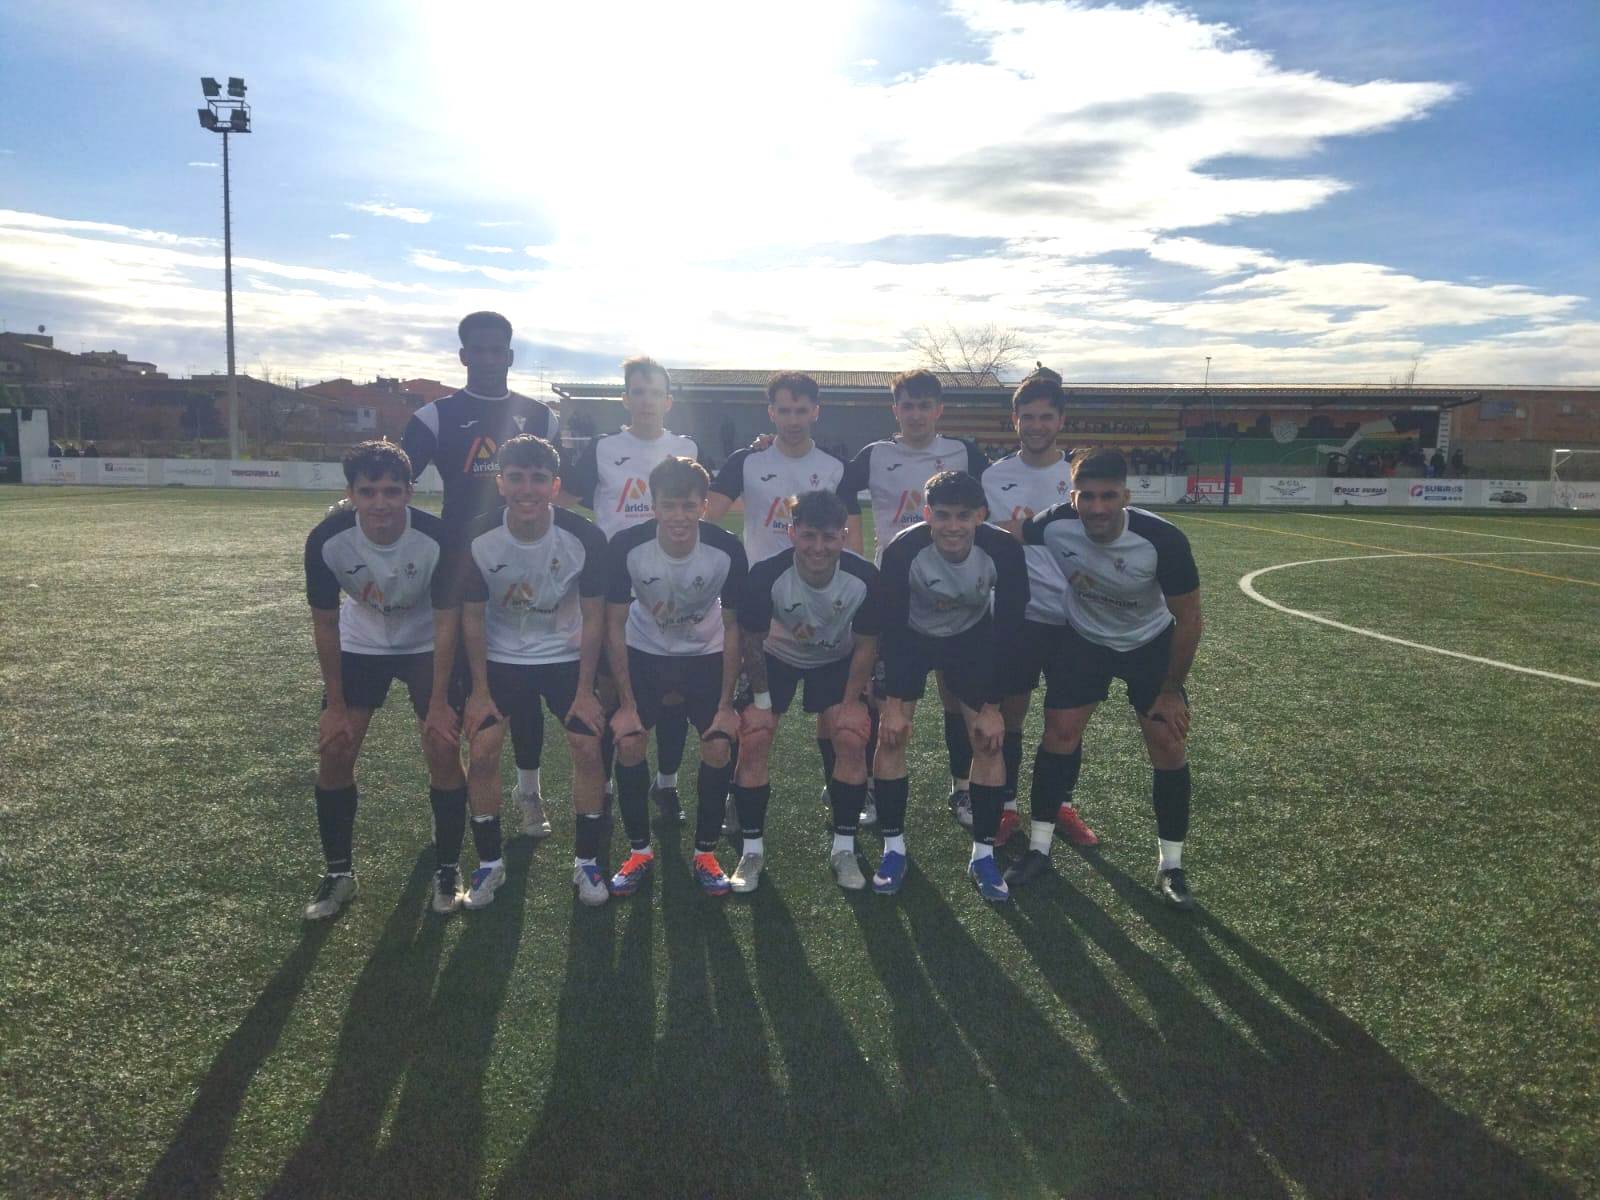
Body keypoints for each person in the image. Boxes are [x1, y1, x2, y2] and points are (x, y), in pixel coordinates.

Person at [1017, 448, 1203, 909]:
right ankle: (1038, 848)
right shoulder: (1052, 524)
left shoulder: (1162, 540)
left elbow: (1189, 619)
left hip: (1149, 644)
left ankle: (1172, 866)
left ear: (1126, 496)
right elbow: (1012, 533)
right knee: (1059, 734)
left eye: (1108, 496)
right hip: (1085, 641)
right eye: (1087, 496)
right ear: (1073, 497)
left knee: (1167, 743)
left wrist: (1171, 689)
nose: (1097, 507)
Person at [401, 311, 561, 837]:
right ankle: (454, 798)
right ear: (463, 355)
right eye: (479, 350)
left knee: (527, 684)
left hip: (527, 566)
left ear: (510, 356)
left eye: (498, 351)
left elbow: (573, 484)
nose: (489, 359)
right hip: (460, 568)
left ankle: (529, 792)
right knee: (462, 689)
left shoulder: (540, 416)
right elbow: (395, 479)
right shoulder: (434, 417)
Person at [300, 441, 469, 920]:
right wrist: (334, 705)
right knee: (336, 749)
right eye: (368, 491)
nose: (380, 503)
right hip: (362, 643)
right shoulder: (327, 539)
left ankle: (448, 867)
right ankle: (339, 873)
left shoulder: (438, 538)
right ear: (350, 493)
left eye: (392, 491)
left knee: (442, 745)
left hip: (426, 643)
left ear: (410, 491)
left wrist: (440, 701)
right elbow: (325, 623)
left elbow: (447, 621)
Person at [444, 435, 612, 908]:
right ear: (500, 483)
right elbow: (472, 617)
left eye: (538, 479)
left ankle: (587, 862)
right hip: (501, 660)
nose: (527, 489)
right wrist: (479, 690)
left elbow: (595, 617)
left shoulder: (584, 537)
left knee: (587, 745)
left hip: (564, 658)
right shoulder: (477, 537)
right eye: (516, 478)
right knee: (482, 750)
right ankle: (489, 864)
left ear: (555, 486)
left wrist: (585, 689)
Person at [707, 371, 861, 836]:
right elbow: (707, 519)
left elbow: (851, 539)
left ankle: (839, 788)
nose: (793, 419)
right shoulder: (747, 461)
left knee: (833, 711)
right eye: (784, 410)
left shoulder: (835, 468)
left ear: (816, 411)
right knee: (756, 714)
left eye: (802, 410)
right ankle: (737, 798)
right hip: (762, 604)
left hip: (821, 599)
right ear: (771, 412)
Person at [839, 369, 990, 825]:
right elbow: (839, 489)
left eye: (925, 406)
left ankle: (962, 787)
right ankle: (870, 785)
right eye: (908, 405)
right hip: (895, 589)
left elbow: (992, 500)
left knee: (954, 693)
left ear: (939, 410)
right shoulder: (876, 454)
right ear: (895, 410)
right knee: (881, 693)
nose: (917, 414)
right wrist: (856, 552)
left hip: (956, 588)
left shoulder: (963, 453)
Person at [873, 471, 1029, 902]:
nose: (953, 526)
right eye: (943, 515)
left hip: (970, 639)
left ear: (981, 515)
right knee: (892, 735)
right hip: (912, 637)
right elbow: (892, 628)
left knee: (988, 740)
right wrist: (893, 703)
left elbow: (1010, 630)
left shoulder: (1004, 550)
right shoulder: (903, 550)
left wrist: (993, 705)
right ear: (927, 514)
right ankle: (893, 848)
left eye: (964, 515)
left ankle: (984, 856)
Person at [563, 356, 700, 825]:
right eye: (637, 392)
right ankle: (602, 787)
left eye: (655, 392)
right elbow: (561, 499)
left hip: (670, 578)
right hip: (614, 582)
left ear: (669, 401)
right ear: (625, 398)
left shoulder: (685, 447)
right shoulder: (603, 448)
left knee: (674, 691)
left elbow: (701, 500)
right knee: (608, 689)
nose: (646, 401)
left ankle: (667, 784)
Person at [603, 456, 748, 897]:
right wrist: (626, 704)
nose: (679, 516)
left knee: (718, 744)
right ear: (654, 505)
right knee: (629, 741)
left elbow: (734, 627)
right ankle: (639, 852)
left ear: (704, 505)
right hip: (645, 654)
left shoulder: (727, 548)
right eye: (669, 505)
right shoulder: (627, 546)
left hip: (704, 656)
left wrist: (726, 705)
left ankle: (706, 853)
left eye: (689, 506)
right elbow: (613, 623)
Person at [736, 491, 882, 892]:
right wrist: (761, 702)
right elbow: (752, 640)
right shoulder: (767, 574)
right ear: (792, 533)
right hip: (777, 656)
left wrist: (851, 703)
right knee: (755, 734)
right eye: (809, 535)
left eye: (829, 537)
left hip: (835, 659)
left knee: (850, 735)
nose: (819, 547)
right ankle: (751, 851)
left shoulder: (864, 577)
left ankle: (844, 847)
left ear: (844, 536)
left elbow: (867, 644)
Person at [981, 370, 1099, 851]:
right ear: (1015, 420)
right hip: (1017, 616)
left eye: (1045, 416)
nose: (1036, 425)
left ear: (1061, 420)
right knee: (1011, 716)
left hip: (1076, 617)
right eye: (1027, 416)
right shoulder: (993, 477)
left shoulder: (1080, 477)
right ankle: (1007, 807)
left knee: (1066, 721)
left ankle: (1060, 804)